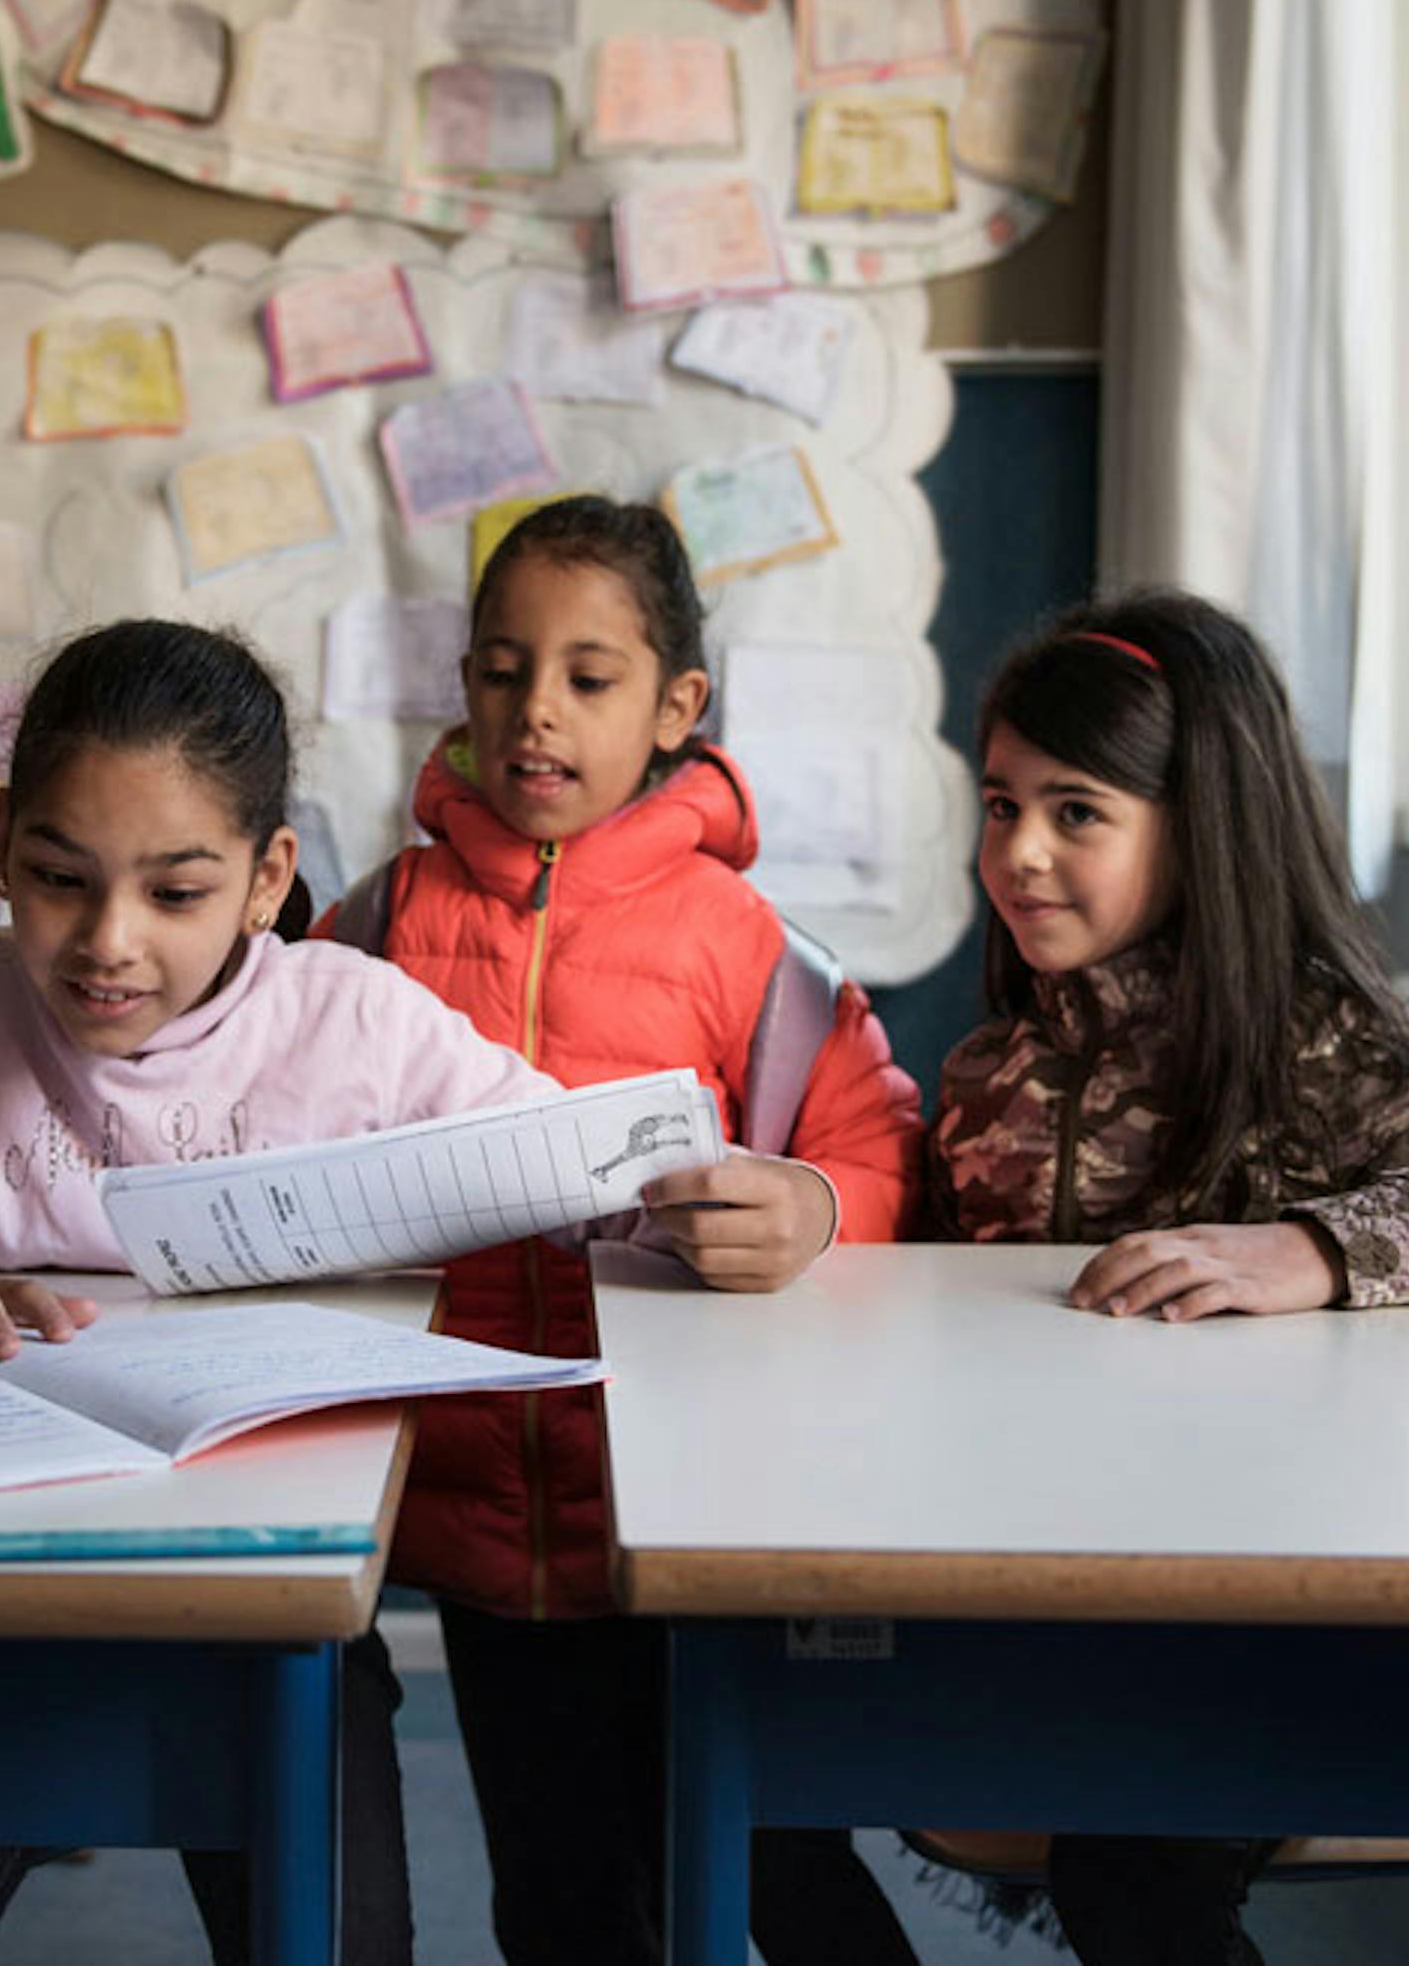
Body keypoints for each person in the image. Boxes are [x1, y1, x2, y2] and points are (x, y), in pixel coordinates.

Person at [0, 617, 789, 1965]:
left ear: (264, 876)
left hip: (268, 1594)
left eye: (176, 894)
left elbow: (602, 1171)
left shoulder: (354, 1022)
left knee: (345, 1937)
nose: (106, 944)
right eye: (58, 878)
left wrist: (767, 1197)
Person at [928, 589, 1409, 1965]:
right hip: (1058, 1588)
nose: (1020, 853)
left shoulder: (1310, 1046)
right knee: (739, 1755)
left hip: (1274, 1612)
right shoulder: (989, 1077)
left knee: (1129, 1866)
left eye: (1076, 811)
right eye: (999, 803)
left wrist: (1316, 1250)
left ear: (1198, 824)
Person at [317, 495, 928, 1966]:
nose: (537, 713)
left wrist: (817, 1208)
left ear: (676, 706)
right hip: (471, 1507)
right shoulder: (371, 922)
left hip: (691, 1504)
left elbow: (875, 1143)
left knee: (769, 1859)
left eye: (589, 679)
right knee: (558, 1888)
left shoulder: (747, 942)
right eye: (500, 668)